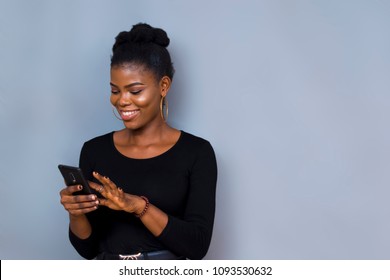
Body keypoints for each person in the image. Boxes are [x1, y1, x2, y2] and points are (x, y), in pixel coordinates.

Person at [59, 23, 217, 260]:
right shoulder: (94, 150)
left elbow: (197, 247)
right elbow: (88, 250)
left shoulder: (197, 153)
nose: (122, 101)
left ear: (163, 86)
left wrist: (137, 207)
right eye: (115, 91)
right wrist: (76, 214)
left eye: (134, 91)